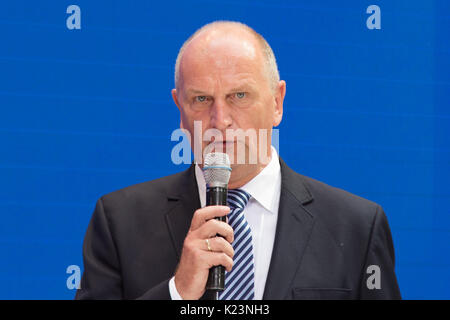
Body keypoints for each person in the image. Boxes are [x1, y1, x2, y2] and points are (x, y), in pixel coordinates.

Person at [75, 21, 401, 300]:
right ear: (180, 110)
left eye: (239, 96)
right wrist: (178, 292)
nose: (220, 120)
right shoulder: (119, 221)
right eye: (201, 99)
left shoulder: (357, 227)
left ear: (277, 102)